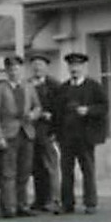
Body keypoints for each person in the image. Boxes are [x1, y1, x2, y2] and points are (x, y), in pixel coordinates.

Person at [56, 51, 107, 214]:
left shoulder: (93, 86)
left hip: (86, 136)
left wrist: (89, 110)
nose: (74, 69)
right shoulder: (63, 89)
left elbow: (104, 107)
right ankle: (67, 204)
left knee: (88, 169)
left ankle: (90, 203)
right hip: (66, 137)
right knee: (66, 171)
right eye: (71, 66)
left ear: (84, 67)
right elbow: (57, 113)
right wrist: (56, 134)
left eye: (77, 65)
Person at [0, 54, 39, 218]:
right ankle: (8, 208)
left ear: (22, 70)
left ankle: (22, 205)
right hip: (8, 134)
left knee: (24, 172)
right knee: (8, 173)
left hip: (26, 132)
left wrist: (33, 114)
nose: (14, 72)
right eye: (10, 69)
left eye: (17, 69)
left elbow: (38, 107)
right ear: (6, 71)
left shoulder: (29, 87)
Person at [26, 52, 63, 213]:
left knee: (51, 165)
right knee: (36, 167)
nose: (37, 68)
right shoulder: (27, 85)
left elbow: (61, 108)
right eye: (34, 65)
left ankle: (54, 199)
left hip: (48, 130)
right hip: (31, 131)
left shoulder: (55, 86)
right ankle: (39, 200)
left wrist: (53, 120)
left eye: (40, 65)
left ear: (46, 67)